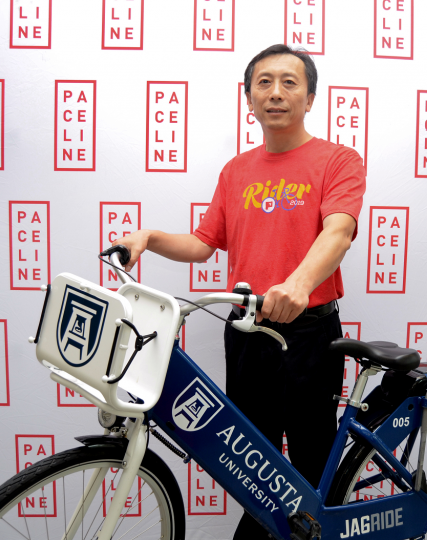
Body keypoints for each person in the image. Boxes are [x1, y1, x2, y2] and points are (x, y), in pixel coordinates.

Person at [113, 44, 366, 539]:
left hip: (308, 329)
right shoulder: (237, 171)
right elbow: (205, 243)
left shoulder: (337, 160)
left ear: (310, 97)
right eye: (264, 82)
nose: (276, 93)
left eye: (289, 82)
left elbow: (338, 230)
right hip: (248, 328)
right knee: (252, 462)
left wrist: (297, 284)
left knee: (312, 457)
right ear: (248, 97)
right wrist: (148, 238)